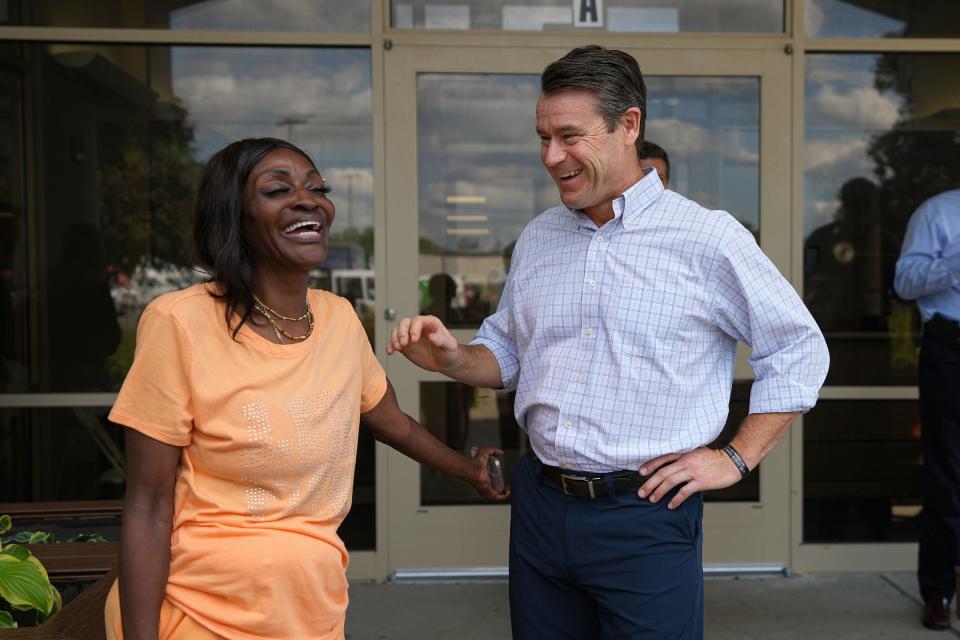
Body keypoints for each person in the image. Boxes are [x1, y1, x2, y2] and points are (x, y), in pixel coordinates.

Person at [388, 45, 829, 639]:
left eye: (570, 136)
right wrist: (453, 358)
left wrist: (735, 457)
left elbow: (798, 351)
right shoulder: (540, 237)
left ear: (629, 125)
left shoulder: (707, 238)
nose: (551, 156)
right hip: (541, 505)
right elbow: (511, 357)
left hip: (644, 515)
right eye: (543, 137)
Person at [105, 138, 505, 640]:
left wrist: (469, 470)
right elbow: (148, 505)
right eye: (278, 189)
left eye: (318, 187)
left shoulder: (339, 318)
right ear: (234, 217)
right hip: (198, 613)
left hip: (310, 611)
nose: (307, 198)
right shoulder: (178, 323)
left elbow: (394, 425)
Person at [894, 187, 960, 631]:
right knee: (948, 476)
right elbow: (905, 282)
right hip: (952, 351)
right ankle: (938, 590)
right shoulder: (938, 212)